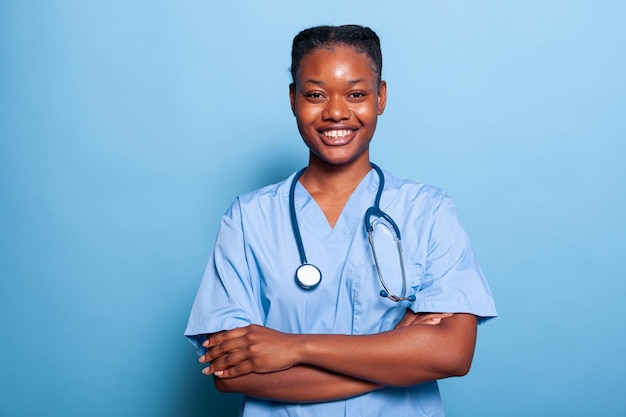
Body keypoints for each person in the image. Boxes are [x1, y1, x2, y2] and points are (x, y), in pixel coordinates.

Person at [185, 24, 497, 416]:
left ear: (380, 97)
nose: (335, 112)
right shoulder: (248, 219)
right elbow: (229, 374)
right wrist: (399, 355)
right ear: (293, 98)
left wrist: (295, 347)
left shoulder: (428, 211)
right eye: (315, 94)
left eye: (356, 94)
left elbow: (452, 354)